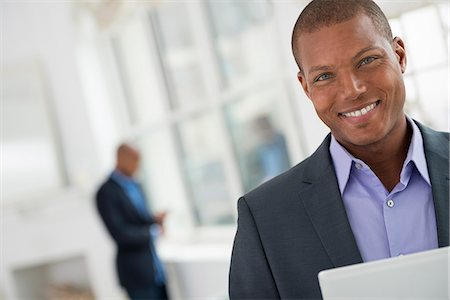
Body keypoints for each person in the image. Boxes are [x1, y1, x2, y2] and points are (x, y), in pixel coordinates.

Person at [229, 0, 449, 299]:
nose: (352, 89)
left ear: (399, 55)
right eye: (324, 76)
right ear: (306, 87)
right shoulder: (266, 219)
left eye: (367, 60)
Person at [96, 143, 169, 300]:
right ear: (121, 159)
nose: (138, 165)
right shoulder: (106, 192)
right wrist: (153, 232)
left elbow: (138, 219)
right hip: (135, 273)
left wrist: (155, 220)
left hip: (155, 269)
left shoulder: (136, 185)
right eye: (134, 160)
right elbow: (120, 234)